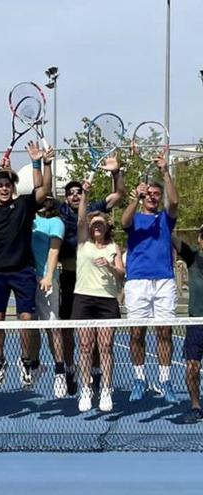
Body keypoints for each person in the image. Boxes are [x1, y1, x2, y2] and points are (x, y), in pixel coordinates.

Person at [0, 142, 52, 389]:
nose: (4, 188)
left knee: (26, 319)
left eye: (8, 185)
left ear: (13, 188)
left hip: (23, 272)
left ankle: (26, 361)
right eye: (0, 185)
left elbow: (43, 188)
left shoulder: (24, 206)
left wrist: (39, 162)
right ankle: (0, 360)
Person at [52, 157, 124, 395]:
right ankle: (68, 370)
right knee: (69, 329)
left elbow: (118, 195)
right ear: (66, 197)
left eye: (78, 192)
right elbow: (39, 196)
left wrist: (116, 173)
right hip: (71, 278)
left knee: (98, 335)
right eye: (70, 192)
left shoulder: (95, 210)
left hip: (97, 283)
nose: (74, 195)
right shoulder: (60, 212)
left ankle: (94, 372)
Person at [121, 155, 179, 403]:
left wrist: (165, 172)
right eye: (150, 193)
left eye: (157, 193)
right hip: (137, 282)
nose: (153, 196)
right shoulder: (135, 217)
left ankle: (165, 381)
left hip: (164, 281)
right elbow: (123, 221)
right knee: (136, 333)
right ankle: (139, 379)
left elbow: (174, 201)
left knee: (164, 332)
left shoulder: (166, 218)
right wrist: (136, 198)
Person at [73, 181, 124, 412]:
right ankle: (85, 389)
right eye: (93, 224)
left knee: (106, 346)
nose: (96, 227)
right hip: (83, 298)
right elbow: (81, 219)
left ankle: (106, 390)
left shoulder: (114, 247)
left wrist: (111, 266)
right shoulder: (83, 243)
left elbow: (122, 273)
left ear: (106, 227)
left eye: (100, 224)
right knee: (85, 346)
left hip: (107, 299)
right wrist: (84, 194)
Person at [31, 193, 67, 398]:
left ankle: (59, 370)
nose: (44, 202)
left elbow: (54, 252)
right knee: (29, 325)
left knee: (52, 326)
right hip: (27, 279)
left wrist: (48, 276)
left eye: (48, 200)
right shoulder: (30, 219)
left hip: (46, 280)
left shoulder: (56, 222)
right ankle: (34, 365)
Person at [174, 226, 203, 423]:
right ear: (200, 239)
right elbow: (172, 238)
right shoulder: (192, 257)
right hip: (196, 322)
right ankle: (195, 406)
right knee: (192, 366)